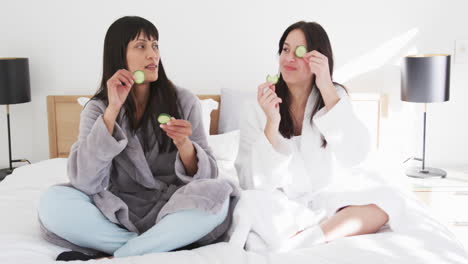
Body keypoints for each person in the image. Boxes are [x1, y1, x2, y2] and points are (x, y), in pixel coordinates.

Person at [38, 16, 233, 260]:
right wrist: (112, 112)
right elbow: (84, 181)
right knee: (53, 202)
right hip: (118, 209)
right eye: (141, 46)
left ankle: (118, 256)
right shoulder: (98, 109)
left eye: (155, 45)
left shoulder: (184, 101)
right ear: (119, 55)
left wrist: (184, 145)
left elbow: (209, 175)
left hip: (174, 206)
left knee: (217, 194)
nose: (153, 55)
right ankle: (150, 245)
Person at [233, 21, 391, 252]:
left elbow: (356, 153)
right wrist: (271, 122)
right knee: (248, 204)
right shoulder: (256, 107)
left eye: (300, 52)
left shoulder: (333, 95)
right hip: (281, 203)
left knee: (387, 200)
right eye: (285, 50)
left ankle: (308, 239)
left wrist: (326, 85)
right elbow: (251, 182)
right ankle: (317, 234)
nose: (288, 59)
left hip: (327, 199)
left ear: (319, 58)